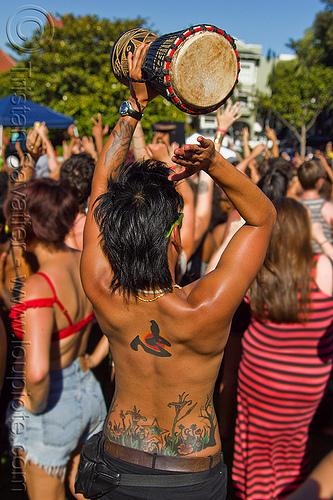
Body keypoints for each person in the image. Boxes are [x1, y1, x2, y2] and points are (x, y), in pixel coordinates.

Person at [75, 42, 276, 500]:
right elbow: (263, 217)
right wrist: (215, 164)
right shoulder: (204, 307)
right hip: (189, 476)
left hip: (117, 464)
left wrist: (135, 103)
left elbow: (101, 190)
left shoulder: (104, 291)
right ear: (173, 236)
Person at [5, 178, 107, 500]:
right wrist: (95, 358)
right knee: (85, 491)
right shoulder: (85, 261)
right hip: (88, 391)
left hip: (51, 403)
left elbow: (36, 372)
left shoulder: (40, 286)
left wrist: (30, 406)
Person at [232, 197, 333, 500]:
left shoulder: (259, 272)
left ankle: (254, 492)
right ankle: (292, 491)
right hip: (305, 386)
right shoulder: (323, 271)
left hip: (259, 377)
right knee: (294, 444)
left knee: (255, 446)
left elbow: (215, 273)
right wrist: (321, 238)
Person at [297, 159, 333, 254]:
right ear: (320, 182)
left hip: (301, 260)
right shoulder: (327, 207)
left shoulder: (295, 207)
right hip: (324, 259)